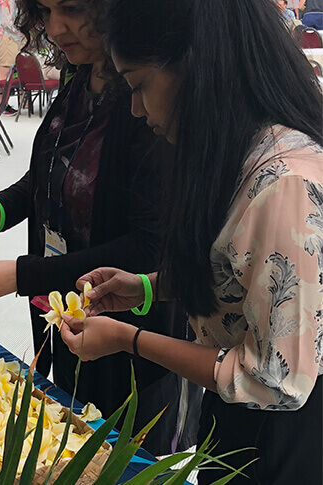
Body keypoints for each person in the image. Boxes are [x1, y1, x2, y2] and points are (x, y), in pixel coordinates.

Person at [59, 0, 322, 483]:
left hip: (283, 439)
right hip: (236, 421)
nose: (136, 109)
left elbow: (272, 380)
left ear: (198, 65)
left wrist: (128, 338)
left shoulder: (283, 184)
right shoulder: (235, 150)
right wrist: (150, 287)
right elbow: (244, 276)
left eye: (139, 85)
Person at [0, 0, 200, 456]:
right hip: (67, 324)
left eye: (73, 9)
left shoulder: (147, 101)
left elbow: (147, 248)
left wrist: (25, 275)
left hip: (128, 352)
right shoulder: (79, 76)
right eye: (45, 10)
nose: (56, 26)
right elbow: (50, 173)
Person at [0, 0, 24, 114]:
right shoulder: (5, 2)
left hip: (11, 39)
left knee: (8, 72)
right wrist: (23, 34)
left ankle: (5, 104)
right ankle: (3, 106)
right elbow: (7, 23)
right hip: (5, 38)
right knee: (4, 73)